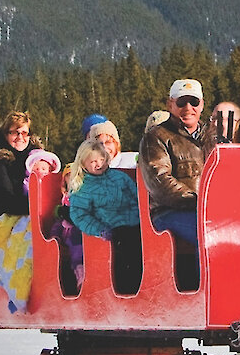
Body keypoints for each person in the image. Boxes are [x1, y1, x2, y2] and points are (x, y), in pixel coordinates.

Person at [0, 111, 42, 312]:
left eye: (24, 133)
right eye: (14, 133)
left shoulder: (38, 159)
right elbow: (6, 199)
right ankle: (19, 292)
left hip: (31, 213)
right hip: (5, 218)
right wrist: (36, 208)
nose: (20, 137)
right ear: (5, 134)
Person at [139, 78, 209, 247]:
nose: (188, 108)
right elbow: (160, 181)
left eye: (193, 102)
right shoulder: (156, 137)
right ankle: (203, 275)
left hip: (208, 211)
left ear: (202, 105)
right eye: (181, 102)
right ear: (170, 104)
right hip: (169, 211)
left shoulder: (211, 136)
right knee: (208, 234)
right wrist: (198, 202)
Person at [67, 139, 142, 294]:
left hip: (135, 221)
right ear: (83, 163)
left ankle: (145, 286)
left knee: (143, 245)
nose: (99, 164)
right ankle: (127, 290)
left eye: (101, 159)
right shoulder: (82, 186)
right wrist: (99, 229)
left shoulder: (119, 178)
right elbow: (79, 214)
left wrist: (142, 214)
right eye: (93, 161)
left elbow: (136, 196)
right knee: (125, 251)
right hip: (112, 225)